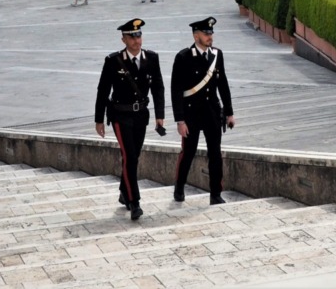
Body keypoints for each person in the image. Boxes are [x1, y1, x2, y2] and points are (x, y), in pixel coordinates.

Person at [94, 18, 165, 222]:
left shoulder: (151, 58)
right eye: (132, 37)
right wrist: (99, 119)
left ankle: (124, 191)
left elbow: (158, 87)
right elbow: (103, 91)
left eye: (139, 35)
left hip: (141, 115)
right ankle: (134, 202)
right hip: (120, 115)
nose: (136, 40)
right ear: (123, 39)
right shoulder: (114, 61)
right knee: (131, 157)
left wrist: (160, 116)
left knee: (133, 156)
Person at [171, 16, 234, 205]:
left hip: (213, 113)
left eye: (211, 33)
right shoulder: (183, 57)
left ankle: (216, 193)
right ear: (195, 35)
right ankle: (179, 186)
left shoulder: (217, 55)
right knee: (188, 152)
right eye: (206, 34)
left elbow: (223, 84)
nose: (210, 37)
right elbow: (176, 90)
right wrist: (180, 120)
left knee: (215, 153)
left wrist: (229, 112)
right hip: (191, 114)